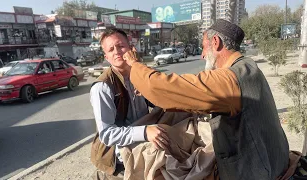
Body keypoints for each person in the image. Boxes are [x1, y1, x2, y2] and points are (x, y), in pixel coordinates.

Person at [123, 19, 290, 179]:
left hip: (256, 172)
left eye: (203, 47)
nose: (202, 55)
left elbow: (166, 87)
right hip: (272, 162)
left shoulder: (230, 79)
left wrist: (135, 65)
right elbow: (195, 100)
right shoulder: (247, 66)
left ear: (216, 42)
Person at [89, 28, 170, 179]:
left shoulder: (140, 74)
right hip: (117, 157)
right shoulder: (103, 87)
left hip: (143, 141)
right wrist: (145, 131)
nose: (117, 52)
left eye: (121, 46)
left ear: (131, 48)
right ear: (106, 56)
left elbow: (161, 99)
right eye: (111, 49)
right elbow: (107, 134)